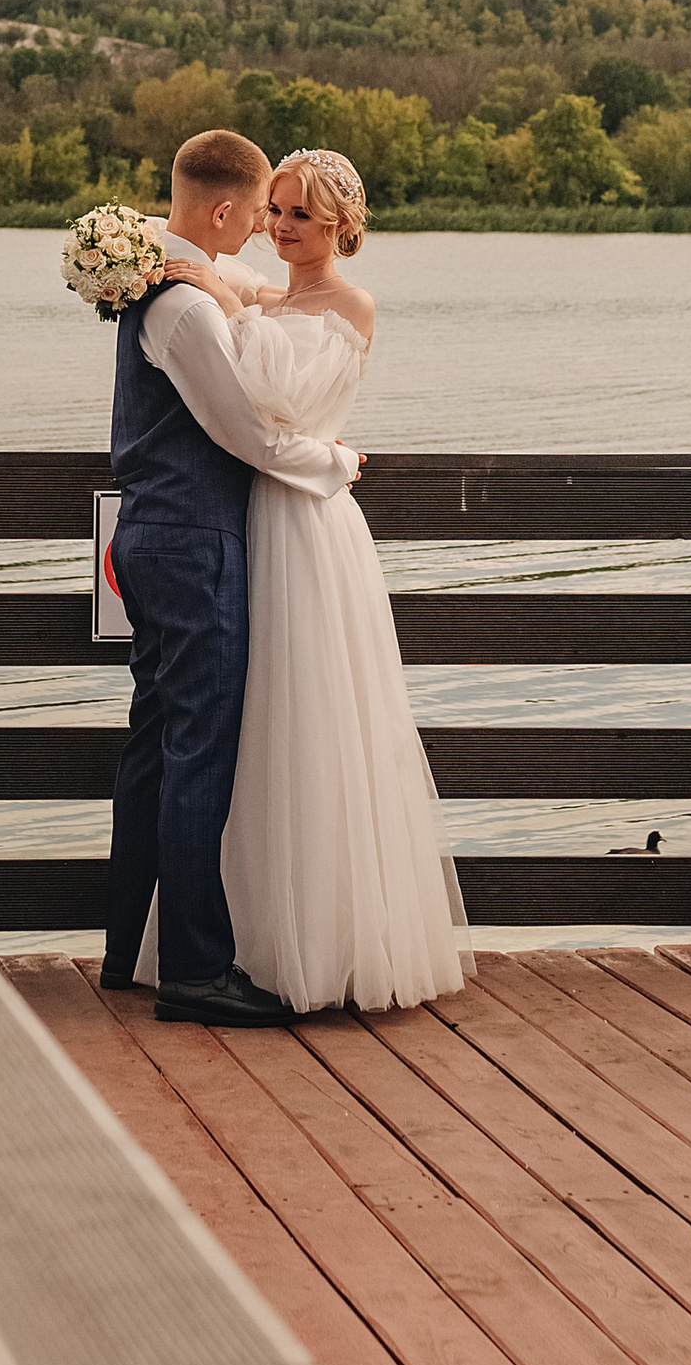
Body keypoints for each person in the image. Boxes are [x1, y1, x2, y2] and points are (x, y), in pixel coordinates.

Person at [159, 149, 465, 1016]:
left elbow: (271, 398)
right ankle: (249, 934)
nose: (279, 226)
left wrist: (224, 297)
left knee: (314, 708)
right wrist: (221, 281)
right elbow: (225, 275)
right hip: (255, 515)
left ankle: (325, 943)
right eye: (275, 210)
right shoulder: (274, 292)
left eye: (298, 214)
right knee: (252, 719)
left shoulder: (350, 304)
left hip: (308, 520)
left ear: (339, 226)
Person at [100, 128, 362, 1028]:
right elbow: (244, 438)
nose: (263, 229)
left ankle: (125, 948)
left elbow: (258, 300)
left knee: (154, 744)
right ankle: (196, 971)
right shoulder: (184, 309)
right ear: (222, 211)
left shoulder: (160, 278)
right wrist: (332, 463)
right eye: (258, 213)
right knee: (196, 752)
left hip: (155, 535)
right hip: (193, 541)